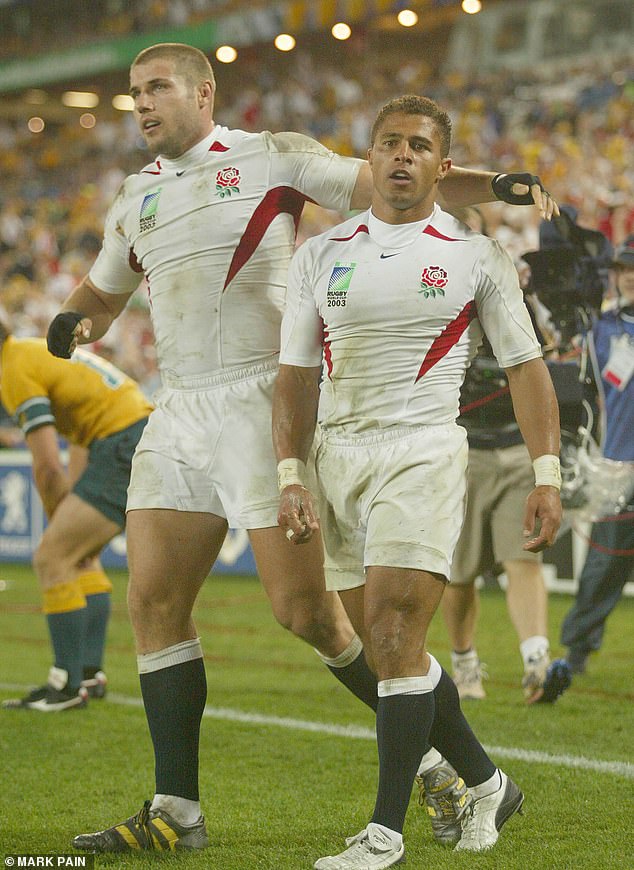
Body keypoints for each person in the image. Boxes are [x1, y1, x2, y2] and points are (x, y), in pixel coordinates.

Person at [45, 43, 556, 852]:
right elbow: (104, 293)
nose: (141, 104)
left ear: (203, 92)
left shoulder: (271, 157)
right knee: (152, 601)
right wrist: (76, 321)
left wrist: (495, 185)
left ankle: (447, 763)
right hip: (177, 408)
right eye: (133, 93)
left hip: (262, 396)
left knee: (308, 615)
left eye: (157, 89)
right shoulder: (132, 197)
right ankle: (177, 812)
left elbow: (390, 175)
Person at [273, 94, 563, 865]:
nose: (402, 156)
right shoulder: (319, 254)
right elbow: (296, 376)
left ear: (443, 164)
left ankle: (384, 833)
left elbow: (529, 369)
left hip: (423, 449)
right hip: (337, 456)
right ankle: (488, 781)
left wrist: (547, 471)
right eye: (389, 143)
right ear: (368, 160)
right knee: (382, 643)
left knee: (397, 634)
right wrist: (290, 471)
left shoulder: (475, 256)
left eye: (419, 145)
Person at [438, 206, 571, 704]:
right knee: (458, 572)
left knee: (524, 558)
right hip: (459, 447)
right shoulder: (426, 288)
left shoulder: (510, 289)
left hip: (514, 443)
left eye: (473, 228)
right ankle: (464, 661)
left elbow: (538, 361)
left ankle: (537, 662)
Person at [0, 316, 152, 711]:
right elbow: (80, 441)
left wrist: (58, 519)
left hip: (122, 439)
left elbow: (48, 466)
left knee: (53, 556)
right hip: (134, 432)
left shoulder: (12, 368)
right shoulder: (31, 351)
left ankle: (66, 686)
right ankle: (87, 672)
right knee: (79, 557)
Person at [561, 234, 634, 674]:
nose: (630, 278)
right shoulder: (599, 329)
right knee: (600, 572)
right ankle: (575, 657)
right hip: (619, 468)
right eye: (624, 269)